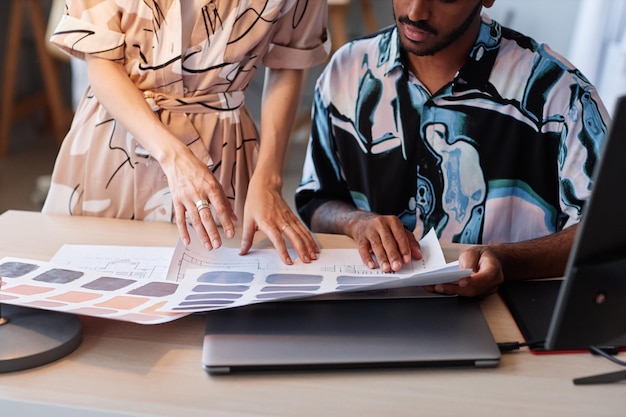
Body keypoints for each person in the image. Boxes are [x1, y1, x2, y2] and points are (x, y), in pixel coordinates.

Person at [295, 0, 610, 297]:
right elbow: (318, 200)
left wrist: (506, 260)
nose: (416, 12)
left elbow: (605, 231)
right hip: (371, 311)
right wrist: (355, 221)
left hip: (505, 316)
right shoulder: (345, 72)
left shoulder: (560, 95)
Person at [42, 0, 329, 265]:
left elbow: (290, 61)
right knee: (93, 292)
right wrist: (174, 157)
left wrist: (269, 179)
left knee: (221, 296)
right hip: (117, 137)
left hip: (226, 152)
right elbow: (101, 60)